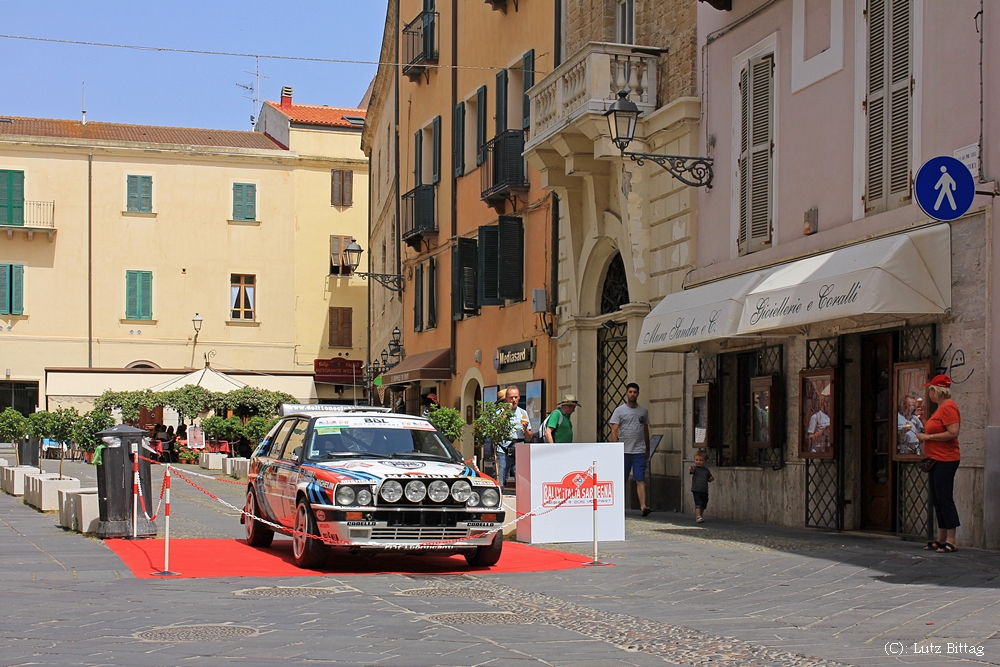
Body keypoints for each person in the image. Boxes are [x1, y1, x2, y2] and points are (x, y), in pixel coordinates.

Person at [916, 375, 962, 554]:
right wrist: (924, 422)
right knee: (937, 499)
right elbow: (937, 428)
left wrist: (928, 437)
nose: (930, 393)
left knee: (944, 498)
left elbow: (953, 432)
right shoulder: (940, 408)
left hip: (946, 459)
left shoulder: (949, 407)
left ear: (937, 390)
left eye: (931, 390)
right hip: (936, 459)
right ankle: (941, 538)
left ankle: (952, 539)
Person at [609, 382, 652, 516]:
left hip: (639, 450)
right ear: (626, 393)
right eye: (630, 392)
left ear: (638, 393)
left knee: (640, 479)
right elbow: (614, 430)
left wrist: (647, 448)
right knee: (622, 479)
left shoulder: (643, 411)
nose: (632, 394)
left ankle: (643, 506)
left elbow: (645, 430)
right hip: (624, 450)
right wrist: (616, 447)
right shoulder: (619, 410)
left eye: (635, 392)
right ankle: (618, 506)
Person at [496, 386, 531, 487]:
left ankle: (522, 501)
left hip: (519, 449)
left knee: (521, 480)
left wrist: (525, 429)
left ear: (519, 397)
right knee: (501, 480)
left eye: (516, 397)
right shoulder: (499, 412)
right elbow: (496, 430)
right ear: (506, 398)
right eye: (511, 397)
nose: (513, 400)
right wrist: (504, 413)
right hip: (503, 449)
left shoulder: (523, 413)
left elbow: (529, 438)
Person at [688, 450, 714, 523]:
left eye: (700, 460)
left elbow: (709, 478)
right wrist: (691, 469)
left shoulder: (706, 470)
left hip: (704, 490)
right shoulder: (695, 469)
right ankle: (698, 516)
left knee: (704, 502)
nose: (698, 462)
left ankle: (700, 515)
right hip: (696, 489)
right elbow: (692, 471)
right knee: (698, 502)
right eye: (696, 460)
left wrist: (711, 479)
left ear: (705, 461)